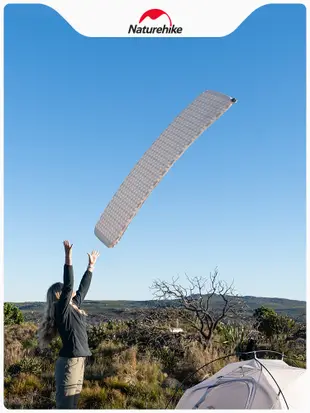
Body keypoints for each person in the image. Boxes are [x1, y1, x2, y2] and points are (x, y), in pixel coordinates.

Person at [38, 240, 100, 409]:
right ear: (60, 295)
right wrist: (68, 257)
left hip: (79, 361)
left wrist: (90, 267)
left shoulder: (74, 307)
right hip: (69, 364)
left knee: (73, 405)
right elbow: (70, 285)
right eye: (65, 290)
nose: (70, 291)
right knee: (66, 407)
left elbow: (82, 289)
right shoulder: (62, 310)